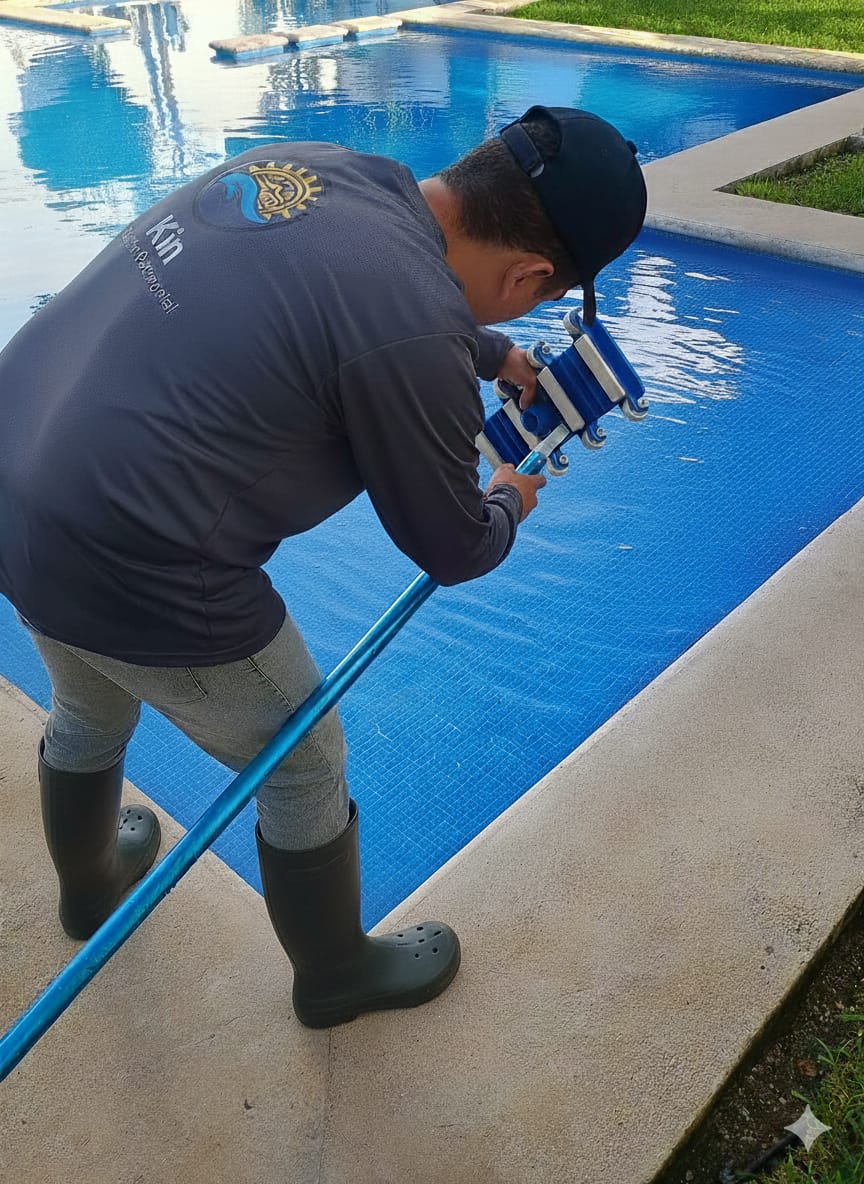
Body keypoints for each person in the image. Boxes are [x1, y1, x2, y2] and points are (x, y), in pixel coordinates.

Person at [0, 105, 647, 1029]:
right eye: (533, 305)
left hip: (20, 480)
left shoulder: (323, 168)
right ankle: (336, 973)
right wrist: (509, 496)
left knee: (90, 697)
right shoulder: (413, 325)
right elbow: (453, 545)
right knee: (303, 760)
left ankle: (92, 888)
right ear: (530, 276)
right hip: (131, 560)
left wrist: (490, 352)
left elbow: (345, 292)